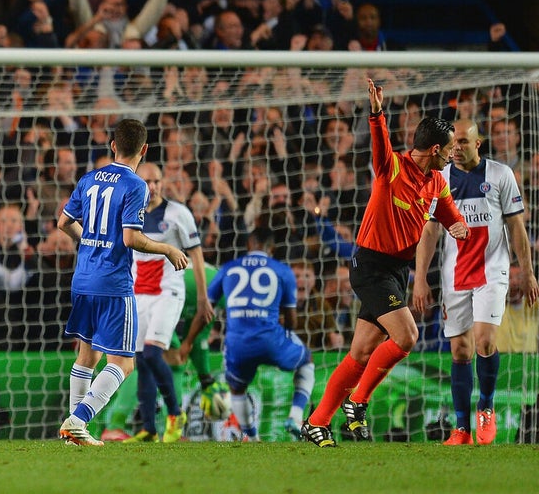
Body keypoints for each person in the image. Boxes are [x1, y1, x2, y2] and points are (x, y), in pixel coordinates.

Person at [300, 79, 470, 447]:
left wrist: (458, 226)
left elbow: (449, 214)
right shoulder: (391, 167)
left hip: (397, 271)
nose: (452, 155)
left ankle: (317, 422)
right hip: (370, 266)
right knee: (407, 335)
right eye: (450, 149)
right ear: (436, 148)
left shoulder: (437, 182)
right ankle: (358, 401)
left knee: (360, 352)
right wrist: (376, 113)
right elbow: (381, 141)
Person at [57, 118, 189, 446]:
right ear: (144, 150)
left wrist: (89, 242)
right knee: (124, 363)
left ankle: (76, 430)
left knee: (86, 357)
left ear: (113, 145)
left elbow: (63, 222)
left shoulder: (88, 180)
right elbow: (131, 238)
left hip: (83, 278)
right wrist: (167, 248)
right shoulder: (135, 185)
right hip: (113, 283)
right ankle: (78, 421)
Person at [413, 119, 538, 445]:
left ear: (478, 144)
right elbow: (430, 231)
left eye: (464, 143)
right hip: (454, 276)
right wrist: (421, 279)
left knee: (483, 341)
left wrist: (527, 271)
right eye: (453, 144)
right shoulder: (440, 178)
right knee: (460, 351)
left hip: (492, 273)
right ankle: (461, 429)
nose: (456, 150)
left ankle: (486, 407)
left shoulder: (500, 175)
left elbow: (516, 227)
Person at [183, 227, 314, 441]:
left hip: (236, 342)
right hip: (270, 339)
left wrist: (188, 342)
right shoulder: (282, 271)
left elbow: (205, 310)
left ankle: (251, 437)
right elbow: (292, 322)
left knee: (237, 388)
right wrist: (279, 324)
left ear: (248, 245)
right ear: (272, 249)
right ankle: (295, 417)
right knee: (306, 360)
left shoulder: (227, 269)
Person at [123, 162, 214, 443]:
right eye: (147, 181)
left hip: (168, 292)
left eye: (157, 181)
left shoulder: (178, 214)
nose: (152, 187)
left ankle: (175, 414)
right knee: (141, 359)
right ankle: (149, 428)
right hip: (139, 294)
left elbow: (196, 254)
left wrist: (202, 297)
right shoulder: (127, 213)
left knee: (152, 353)